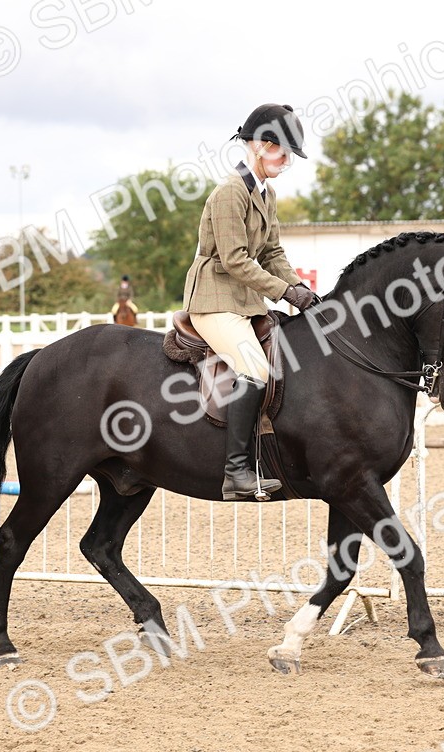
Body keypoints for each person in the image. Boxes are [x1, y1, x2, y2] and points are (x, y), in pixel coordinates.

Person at [181, 103, 316, 500]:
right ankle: (236, 472)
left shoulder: (266, 193)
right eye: (282, 153)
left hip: (244, 300)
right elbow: (235, 260)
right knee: (255, 368)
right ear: (259, 146)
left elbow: (272, 253)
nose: (286, 161)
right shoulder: (230, 193)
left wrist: (301, 290)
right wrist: (284, 292)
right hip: (214, 299)